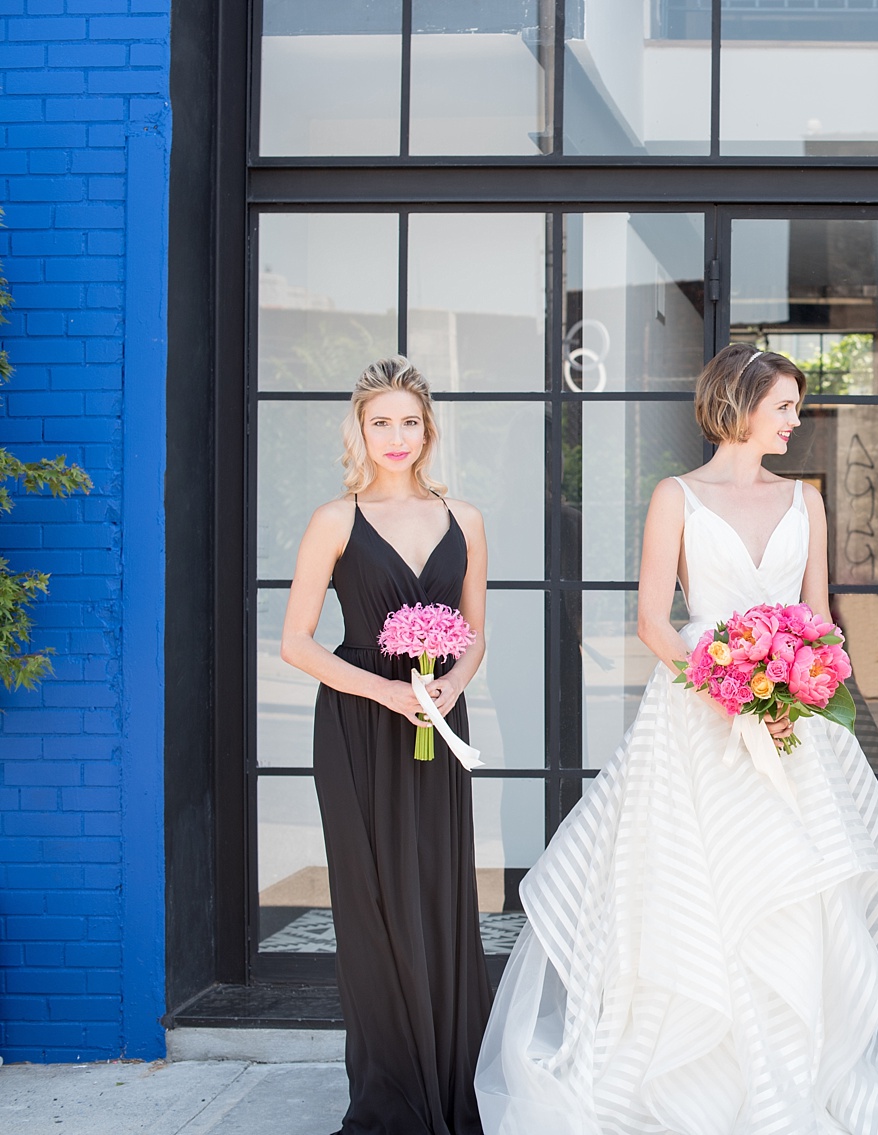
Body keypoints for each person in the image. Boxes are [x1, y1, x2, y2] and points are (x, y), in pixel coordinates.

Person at [475, 344, 878, 1134]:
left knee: (802, 892)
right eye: (787, 406)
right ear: (741, 403)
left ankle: (799, 1073)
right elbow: (654, 623)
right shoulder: (677, 497)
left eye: (798, 407)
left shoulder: (806, 500)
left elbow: (822, 618)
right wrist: (735, 687)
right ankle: (694, 1074)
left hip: (797, 729)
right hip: (699, 722)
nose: (797, 420)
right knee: (700, 889)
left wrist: (797, 685)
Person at [280, 357, 492, 1135]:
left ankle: (448, 1089)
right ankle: (390, 1099)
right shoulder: (334, 520)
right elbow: (297, 644)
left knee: (438, 896)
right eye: (381, 423)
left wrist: (450, 688)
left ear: (427, 429)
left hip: (437, 720)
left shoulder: (463, 517)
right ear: (360, 430)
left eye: (409, 422)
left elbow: (475, 636)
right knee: (372, 903)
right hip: (359, 726)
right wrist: (387, 691)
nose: (396, 436)